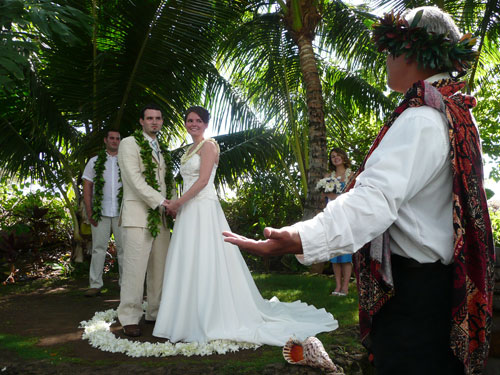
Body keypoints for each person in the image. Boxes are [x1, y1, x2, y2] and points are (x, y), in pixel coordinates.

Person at [223, 7, 495, 375]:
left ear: (412, 51)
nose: (385, 58)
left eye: (389, 48)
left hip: (415, 297)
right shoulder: (456, 113)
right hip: (438, 288)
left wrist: (299, 237)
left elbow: (374, 201)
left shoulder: (421, 119)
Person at [152, 106, 338, 346]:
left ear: (206, 124)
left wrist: (178, 202)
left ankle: (210, 314)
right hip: (189, 210)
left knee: (207, 256)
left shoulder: (209, 146)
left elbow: (203, 180)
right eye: (189, 120)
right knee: (188, 257)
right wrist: (180, 204)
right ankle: (183, 315)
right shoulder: (189, 150)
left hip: (202, 208)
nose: (194, 124)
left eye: (199, 120)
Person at [116, 103, 174, 337]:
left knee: (160, 267)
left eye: (158, 118)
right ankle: (129, 316)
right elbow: (134, 179)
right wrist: (163, 202)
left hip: (159, 217)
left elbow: (164, 182)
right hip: (137, 216)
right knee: (134, 269)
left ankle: (155, 312)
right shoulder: (129, 143)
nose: (154, 122)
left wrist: (172, 204)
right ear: (141, 121)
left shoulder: (160, 147)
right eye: (149, 118)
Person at [82, 129, 123, 297]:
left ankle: (125, 284)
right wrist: (89, 210)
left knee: (124, 249)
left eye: (117, 138)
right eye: (111, 138)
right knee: (99, 248)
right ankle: (95, 284)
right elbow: (87, 186)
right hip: (101, 212)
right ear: (105, 140)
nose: (114, 141)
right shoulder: (94, 161)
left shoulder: (126, 160)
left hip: (123, 212)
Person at [316, 148, 353, 296]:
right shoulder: (327, 177)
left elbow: (353, 196)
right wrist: (328, 195)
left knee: (345, 254)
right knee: (335, 254)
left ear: (344, 157)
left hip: (346, 218)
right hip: (332, 217)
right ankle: (337, 287)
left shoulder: (352, 176)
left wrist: (335, 196)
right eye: (333, 156)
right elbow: (324, 196)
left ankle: (345, 287)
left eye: (338, 155)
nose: (335, 158)